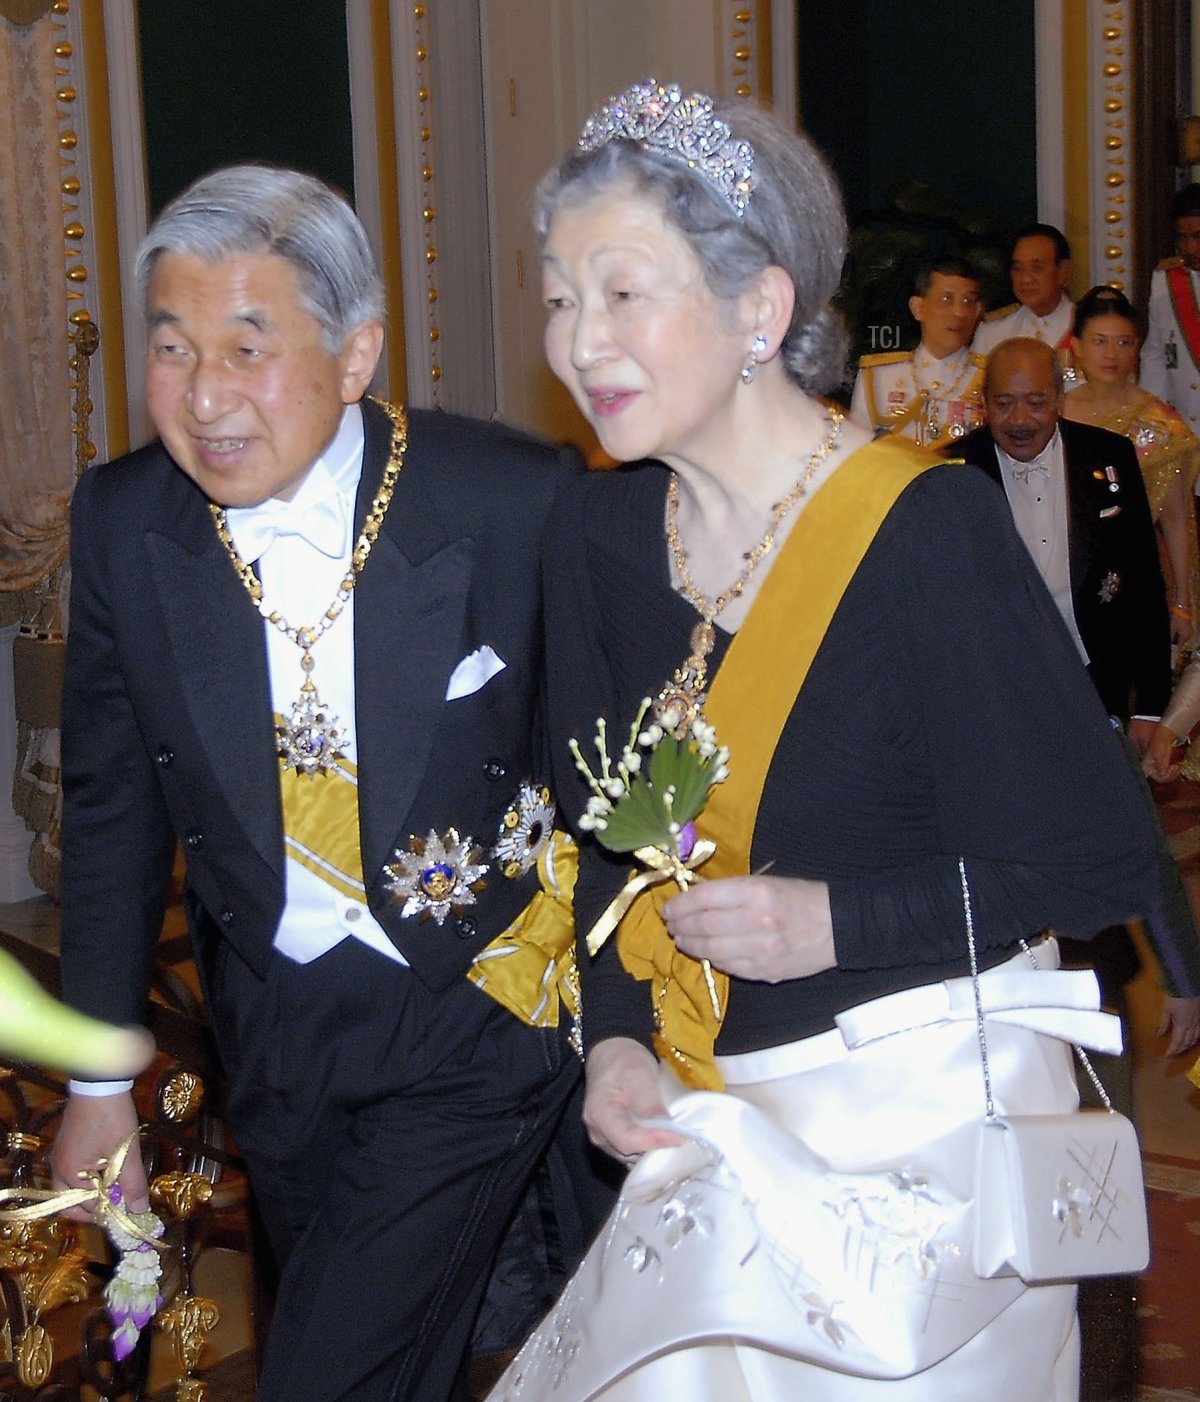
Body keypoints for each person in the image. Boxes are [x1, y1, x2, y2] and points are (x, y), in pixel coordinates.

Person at [490, 80, 1167, 1401]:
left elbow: (1095, 861)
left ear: (763, 307)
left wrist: (835, 921)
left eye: (624, 293)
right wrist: (617, 1036)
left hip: (916, 1165)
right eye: (562, 298)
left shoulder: (927, 537)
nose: (581, 342)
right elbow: (596, 839)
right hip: (709, 1142)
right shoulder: (594, 537)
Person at [49, 164, 586, 1402]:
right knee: (385, 1345)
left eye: (248, 348)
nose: (205, 397)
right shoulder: (128, 524)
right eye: (172, 349)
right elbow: (114, 809)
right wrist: (93, 1083)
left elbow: (608, 763)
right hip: (277, 1030)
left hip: (474, 1011)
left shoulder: (508, 498)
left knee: (328, 1377)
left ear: (356, 355)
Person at [1063, 285, 1200, 659]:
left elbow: (1175, 522)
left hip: (1132, 580)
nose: (1112, 354)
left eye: (1124, 343)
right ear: (1076, 346)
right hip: (1059, 573)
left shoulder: (1161, 426)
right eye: (1100, 341)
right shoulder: (1052, 412)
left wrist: (1183, 603)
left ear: (1137, 346)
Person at [849, 255, 985, 448]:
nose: (959, 312)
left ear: (977, 310)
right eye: (947, 299)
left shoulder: (991, 377)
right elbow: (859, 453)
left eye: (967, 301)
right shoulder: (878, 375)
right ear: (918, 308)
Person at [973, 223, 1076, 379]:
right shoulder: (991, 332)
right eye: (1018, 268)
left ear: (1063, 270)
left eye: (1037, 267)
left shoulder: (1085, 326)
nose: (1026, 278)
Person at [1141, 183, 1200, 436]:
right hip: (1186, 433)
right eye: (1181, 238)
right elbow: (1155, 361)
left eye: (1198, 237)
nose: (1189, 249)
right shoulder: (1165, 283)